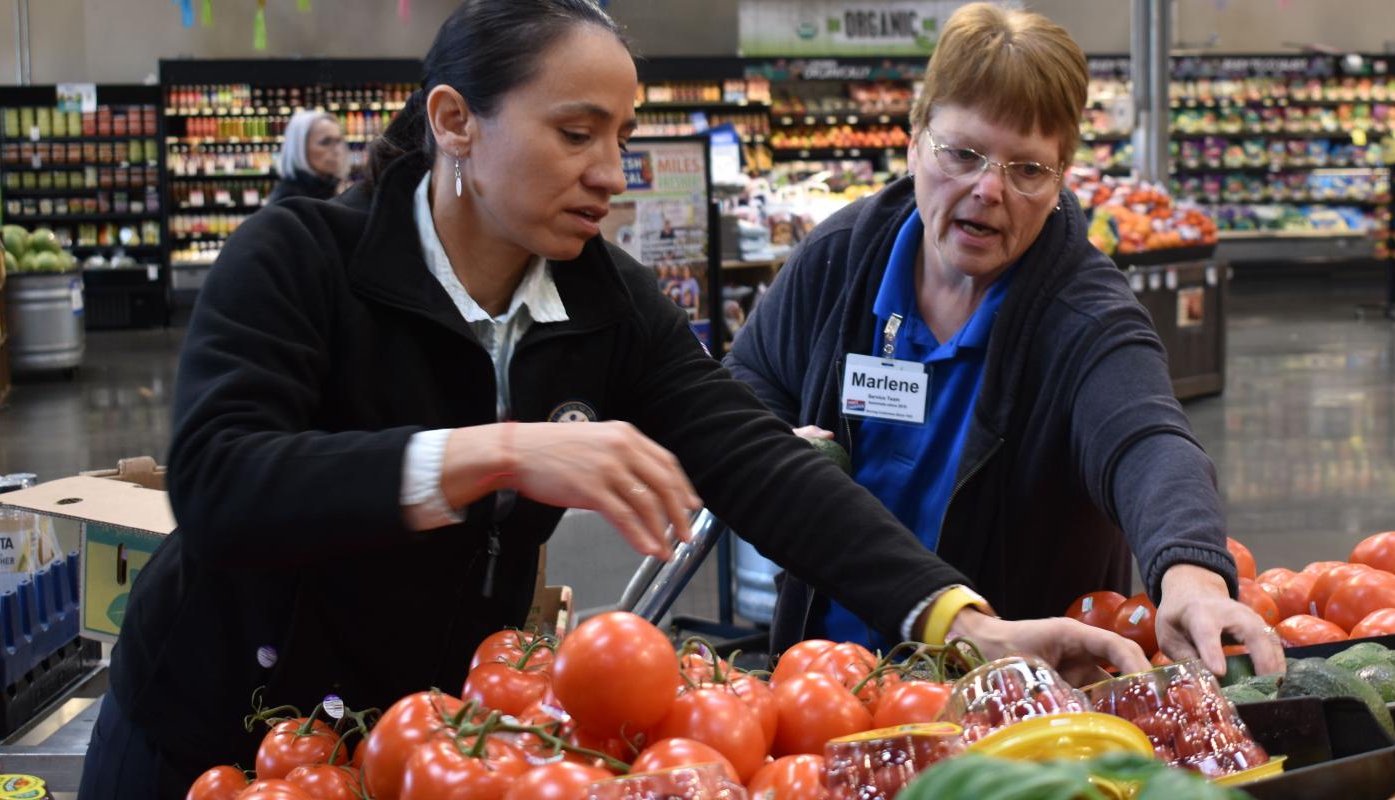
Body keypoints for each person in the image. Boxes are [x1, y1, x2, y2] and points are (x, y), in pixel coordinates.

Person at [77, 2, 1144, 796]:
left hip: (433, 744)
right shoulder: (300, 258)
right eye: (576, 133)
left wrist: (964, 619)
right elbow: (219, 479)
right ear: (456, 121)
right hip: (211, 731)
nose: (612, 171)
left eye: (622, 137)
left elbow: (757, 460)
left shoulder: (607, 302)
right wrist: (489, 450)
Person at [723, 3, 1284, 679]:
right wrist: (776, 446)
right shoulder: (842, 259)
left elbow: (1147, 440)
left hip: (1015, 699)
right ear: (913, 141)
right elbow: (742, 387)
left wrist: (1191, 571)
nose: (989, 189)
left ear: (1061, 178)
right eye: (962, 154)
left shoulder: (1082, 310)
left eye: (1028, 169)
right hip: (824, 676)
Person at [266, 109, 348, 204]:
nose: (337, 150)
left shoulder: (329, 186)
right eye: (325, 142)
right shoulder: (289, 200)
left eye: (338, 141)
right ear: (299, 147)